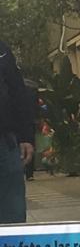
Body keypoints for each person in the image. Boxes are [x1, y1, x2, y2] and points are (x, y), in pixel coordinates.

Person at [0, 39, 35, 223]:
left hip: (5, 144)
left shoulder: (2, 51)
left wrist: (26, 137)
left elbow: (18, 92)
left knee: (12, 217)